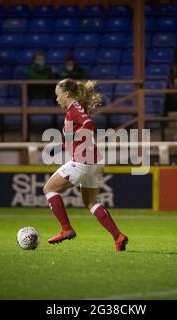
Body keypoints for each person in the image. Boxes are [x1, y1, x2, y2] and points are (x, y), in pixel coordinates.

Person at [42, 78, 128, 252]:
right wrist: (62, 146)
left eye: (58, 95)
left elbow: (88, 124)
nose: (57, 99)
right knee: (90, 202)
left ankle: (66, 229)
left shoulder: (75, 108)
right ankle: (118, 237)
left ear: (66, 94)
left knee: (49, 189)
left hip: (83, 161)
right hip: (95, 162)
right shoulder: (77, 106)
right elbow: (82, 135)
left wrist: (71, 141)